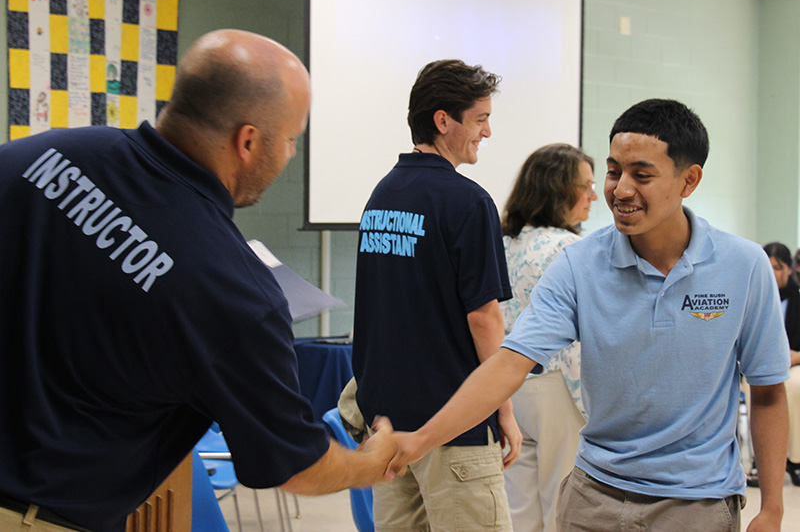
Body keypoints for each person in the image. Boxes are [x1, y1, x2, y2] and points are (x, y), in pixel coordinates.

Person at [0, 30, 398, 532]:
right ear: (249, 141)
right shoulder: (233, 291)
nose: (292, 154)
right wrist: (373, 459)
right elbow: (297, 466)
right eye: (292, 138)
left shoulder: (36, 157)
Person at [387, 98, 791, 532]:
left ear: (688, 180)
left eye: (643, 174)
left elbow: (768, 392)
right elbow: (510, 363)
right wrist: (423, 438)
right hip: (593, 498)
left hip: (696, 504)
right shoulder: (579, 264)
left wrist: (772, 509)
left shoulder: (744, 266)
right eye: (615, 171)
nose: (620, 189)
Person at [348, 59, 520, 531]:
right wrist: (503, 408)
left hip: (389, 425)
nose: (487, 132)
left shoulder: (381, 196)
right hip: (454, 429)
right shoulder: (469, 201)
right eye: (480, 119)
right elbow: (484, 318)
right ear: (443, 120)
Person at [500, 143, 598, 532]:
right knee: (562, 500)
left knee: (519, 506)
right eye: (585, 186)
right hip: (560, 384)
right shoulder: (570, 248)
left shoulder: (503, 242)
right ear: (558, 189)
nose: (594, 196)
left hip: (510, 384)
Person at [762, 242, 800, 486]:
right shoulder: (757, 297)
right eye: (768, 266)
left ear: (789, 269)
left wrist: (791, 357)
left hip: (793, 363)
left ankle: (795, 459)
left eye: (777, 267)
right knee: (756, 384)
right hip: (760, 364)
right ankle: (760, 461)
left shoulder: (797, 299)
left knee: (793, 385)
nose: (773, 272)